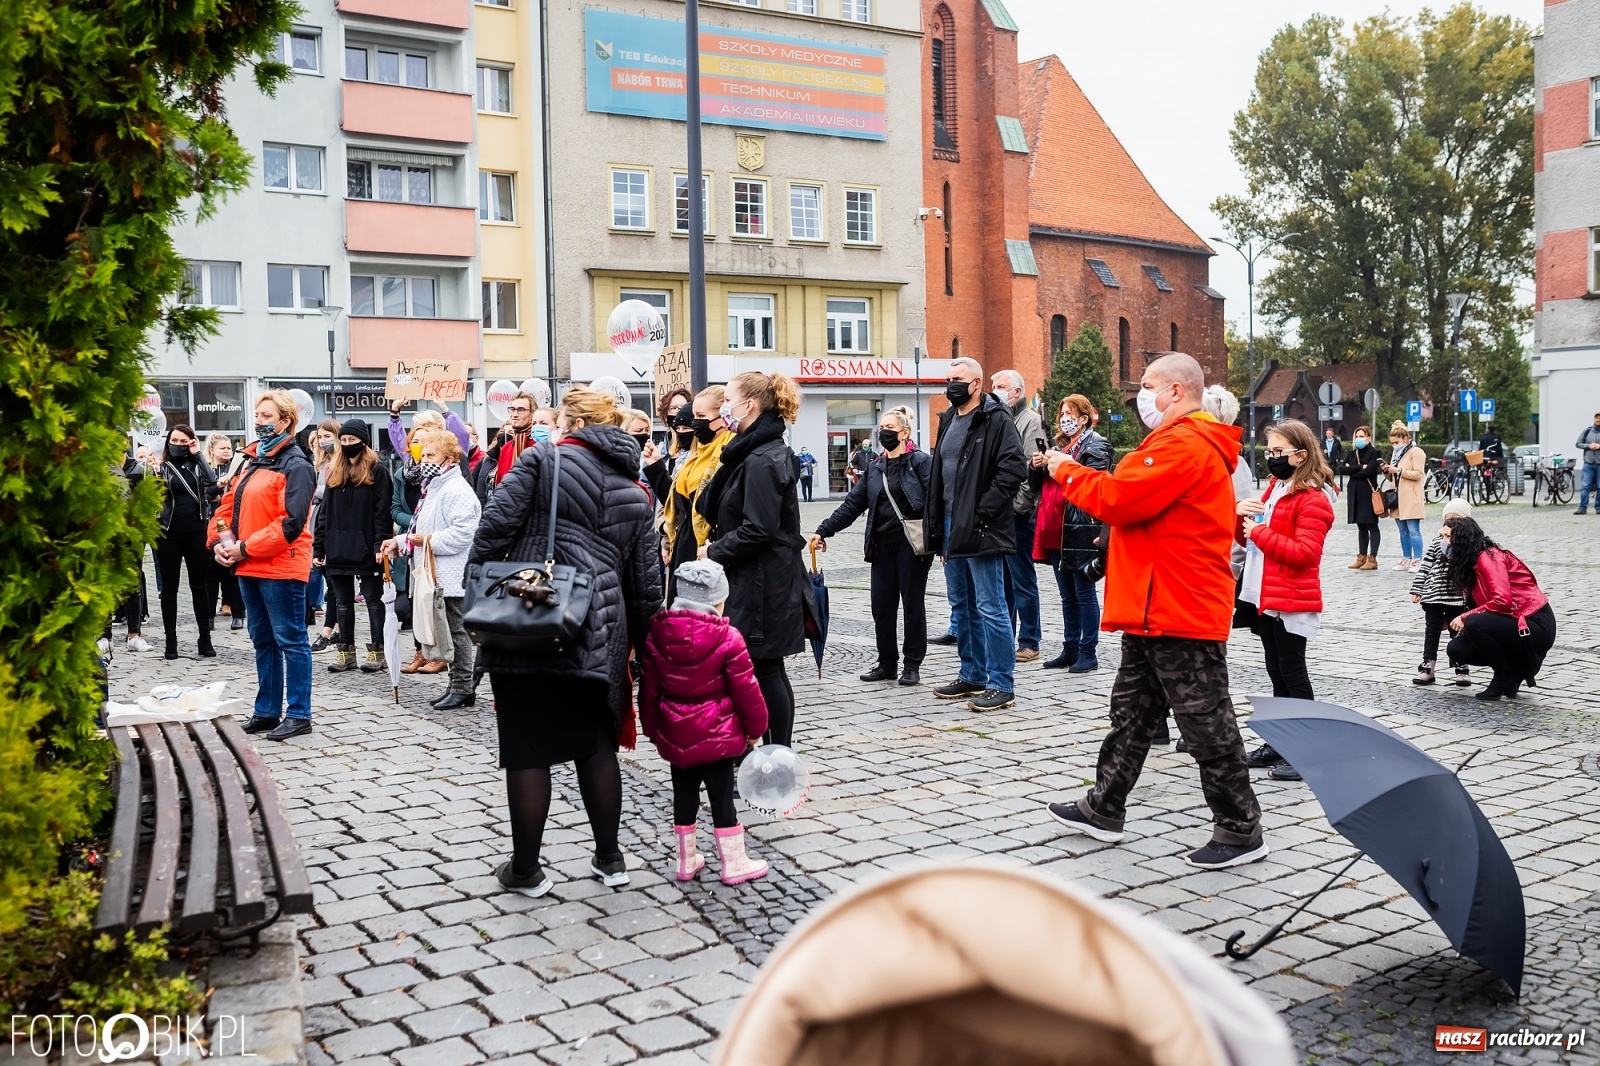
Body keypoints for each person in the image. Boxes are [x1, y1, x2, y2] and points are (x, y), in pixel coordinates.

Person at [1042, 353, 1266, 870]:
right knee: (1133, 712)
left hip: (1176, 604)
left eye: (1147, 385)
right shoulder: (1183, 440)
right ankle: (1104, 807)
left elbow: (1121, 499)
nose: (1141, 395)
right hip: (1156, 603)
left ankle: (1240, 827)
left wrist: (1066, 470)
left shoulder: (1183, 441)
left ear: (1175, 391)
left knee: (1205, 720)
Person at [469, 386, 660, 896]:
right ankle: (610, 859)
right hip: (600, 633)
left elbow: (491, 531)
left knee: (528, 749)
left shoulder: (541, 460)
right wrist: (644, 649)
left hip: (529, 618)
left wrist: (480, 592)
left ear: (569, 423)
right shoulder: (635, 490)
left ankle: (526, 869)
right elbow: (646, 585)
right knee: (596, 746)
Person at [639, 559, 770, 885]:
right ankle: (734, 862)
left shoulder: (658, 633)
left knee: (683, 797)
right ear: (717, 600)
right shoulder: (728, 638)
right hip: (719, 740)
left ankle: (686, 860)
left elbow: (649, 690)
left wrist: (653, 730)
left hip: (675, 735)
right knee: (722, 799)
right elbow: (748, 691)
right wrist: (756, 730)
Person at [699, 372, 807, 746]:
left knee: (766, 669)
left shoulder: (764, 458)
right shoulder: (747, 451)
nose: (723, 405)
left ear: (750, 405)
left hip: (765, 581)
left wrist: (713, 550)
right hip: (754, 576)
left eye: (728, 397)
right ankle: (767, 753)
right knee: (762, 668)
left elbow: (759, 529)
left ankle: (777, 756)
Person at [1233, 419, 1335, 784]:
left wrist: (1258, 531)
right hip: (1264, 594)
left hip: (1291, 598)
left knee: (1293, 674)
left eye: (1279, 452)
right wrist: (1241, 518)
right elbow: (1249, 537)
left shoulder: (1314, 499)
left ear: (1301, 455)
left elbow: (1305, 553)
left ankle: (1307, 750)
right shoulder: (1276, 487)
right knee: (1276, 672)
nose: (1272, 458)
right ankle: (1279, 741)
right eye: (1269, 451)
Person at [212, 391, 317, 741]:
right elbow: (227, 507)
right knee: (263, 641)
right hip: (249, 564)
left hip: (280, 565)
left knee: (291, 639)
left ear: (286, 421)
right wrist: (218, 543)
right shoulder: (251, 459)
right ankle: (267, 711)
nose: (259, 420)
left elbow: (290, 523)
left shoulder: (297, 465)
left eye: (266, 415)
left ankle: (299, 714)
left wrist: (243, 548)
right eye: (257, 414)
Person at [925, 357, 1027, 712]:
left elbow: (1013, 469)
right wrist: (938, 526)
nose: (950, 383)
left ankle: (1002, 683)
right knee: (963, 604)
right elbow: (941, 474)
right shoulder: (949, 418)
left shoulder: (996, 419)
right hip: (952, 524)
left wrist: (983, 511)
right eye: (948, 378)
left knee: (991, 604)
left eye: (958, 378)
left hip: (981, 525)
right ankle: (972, 674)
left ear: (976, 383)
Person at [811, 406, 933, 685]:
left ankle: (912, 665)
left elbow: (935, 504)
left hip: (912, 546)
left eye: (889, 427)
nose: (883, 432)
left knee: (913, 605)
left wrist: (940, 542)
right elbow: (853, 504)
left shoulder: (920, 463)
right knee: (882, 606)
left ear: (904, 433)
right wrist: (824, 530)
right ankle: (887, 663)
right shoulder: (875, 467)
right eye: (881, 427)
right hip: (881, 546)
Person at [383, 431, 481, 709]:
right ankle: (456, 684)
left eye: (430, 456)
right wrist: (400, 541)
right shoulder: (435, 487)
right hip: (437, 571)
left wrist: (423, 541)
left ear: (449, 459)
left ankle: (463, 686)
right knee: (447, 629)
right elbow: (423, 528)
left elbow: (462, 534)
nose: (424, 460)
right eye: (423, 455)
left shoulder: (457, 490)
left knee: (457, 631)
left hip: (451, 573)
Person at [1031, 394, 1111, 671]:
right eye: (1062, 412)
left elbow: (1093, 481)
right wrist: (1038, 466)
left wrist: (1060, 465)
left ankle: (1088, 651)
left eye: (1071, 413)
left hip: (1079, 529)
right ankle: (1070, 647)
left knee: (1084, 593)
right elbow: (1036, 486)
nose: (1065, 418)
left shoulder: (1096, 444)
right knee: (1067, 595)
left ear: (1084, 418)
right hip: (1055, 528)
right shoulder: (1060, 446)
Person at [1445, 516, 1557, 700]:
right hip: (1512, 622)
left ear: (1462, 538)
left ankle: (1504, 675)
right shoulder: (1469, 563)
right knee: (1457, 648)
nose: (1443, 542)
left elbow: (1502, 600)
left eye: (1447, 537)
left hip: (1533, 622)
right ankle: (1515, 672)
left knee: (1474, 622)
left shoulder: (1488, 557)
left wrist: (1465, 617)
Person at [314, 419, 390, 674]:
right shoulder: (335, 471)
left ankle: (377, 650)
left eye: (352, 440)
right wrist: (319, 547)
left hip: (367, 546)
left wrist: (380, 544)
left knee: (372, 599)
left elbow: (382, 513)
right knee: (343, 602)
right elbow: (324, 513)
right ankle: (345, 651)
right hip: (337, 546)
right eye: (343, 440)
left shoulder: (378, 471)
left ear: (363, 442)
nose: (347, 445)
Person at [991, 369, 1047, 663]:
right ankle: (1007, 637)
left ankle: (1029, 640)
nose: (995, 390)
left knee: (1022, 578)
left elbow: (1030, 469)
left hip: (1018, 514)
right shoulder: (1001, 418)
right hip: (1000, 513)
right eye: (993, 386)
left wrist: (1018, 506)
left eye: (1001, 386)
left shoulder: (1030, 420)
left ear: (1017, 391)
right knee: (1004, 581)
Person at [150, 424, 219, 659]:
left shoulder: (198, 465)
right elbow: (155, 497)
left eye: (184, 441)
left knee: (199, 587)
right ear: (168, 442)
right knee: (169, 589)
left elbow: (213, 482)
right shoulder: (161, 467)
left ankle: (205, 639)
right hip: (168, 532)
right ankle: (171, 641)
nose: (178, 445)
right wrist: (155, 473)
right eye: (175, 441)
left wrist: (198, 453)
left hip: (197, 530)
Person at [663, 386, 734, 600]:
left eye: (701, 416)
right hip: (684, 544)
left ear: (722, 418)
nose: (695, 423)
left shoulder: (728, 451)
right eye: (694, 416)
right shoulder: (698, 453)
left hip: (705, 548)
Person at [1410, 498, 1474, 687]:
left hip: (1455, 597)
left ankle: (1461, 667)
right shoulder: (1437, 541)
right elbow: (1425, 566)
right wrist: (1418, 588)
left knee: (1458, 633)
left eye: (1457, 520)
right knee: (1432, 632)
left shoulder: (1467, 545)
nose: (1451, 524)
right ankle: (1428, 666)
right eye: (1448, 520)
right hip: (1433, 595)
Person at [205, 433, 248, 631]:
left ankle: (238, 613)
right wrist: (216, 487)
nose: (227, 451)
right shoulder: (205, 468)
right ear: (212, 450)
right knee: (210, 574)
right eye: (223, 448)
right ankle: (208, 616)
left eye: (229, 447)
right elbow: (202, 492)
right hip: (209, 523)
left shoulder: (236, 467)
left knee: (231, 572)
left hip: (231, 524)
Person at [307, 418, 341, 651]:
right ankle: (331, 626)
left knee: (334, 582)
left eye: (327, 436)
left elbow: (332, 491)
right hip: (317, 521)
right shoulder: (320, 463)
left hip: (334, 523)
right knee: (320, 574)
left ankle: (330, 629)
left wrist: (314, 491)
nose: (322, 441)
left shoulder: (339, 463)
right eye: (320, 437)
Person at [1381, 422, 1426, 571]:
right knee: (1403, 531)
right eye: (1392, 443)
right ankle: (1407, 558)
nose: (1394, 445)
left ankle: (1418, 559)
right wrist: (1387, 471)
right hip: (1397, 498)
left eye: (1397, 442)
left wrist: (1398, 470)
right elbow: (1393, 477)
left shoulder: (1416, 452)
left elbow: (1418, 474)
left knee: (1413, 530)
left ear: (1405, 438)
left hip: (1410, 497)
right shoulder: (1397, 454)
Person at [477, 391, 538, 502]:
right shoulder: (506, 448)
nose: (514, 414)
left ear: (532, 414)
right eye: (512, 409)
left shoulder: (537, 445)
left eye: (521, 410)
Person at [1339, 426, 1384, 570]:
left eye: (1361, 436)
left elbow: (1370, 471)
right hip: (1355, 491)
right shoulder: (1352, 453)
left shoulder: (1375, 453)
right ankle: (1361, 556)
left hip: (1368, 492)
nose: (1359, 439)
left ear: (1369, 437)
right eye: (1357, 436)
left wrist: (1353, 469)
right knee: (1361, 525)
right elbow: (1341, 469)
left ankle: (1373, 558)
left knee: (1371, 524)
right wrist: (1360, 467)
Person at [643, 389, 695, 504]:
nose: (678, 412)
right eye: (674, 408)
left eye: (683, 407)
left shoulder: (696, 451)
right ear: (666, 415)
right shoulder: (657, 451)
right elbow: (646, 488)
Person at [1575, 411, 1600, 514]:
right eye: (1597, 418)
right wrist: (1588, 446)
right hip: (1588, 463)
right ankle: (1582, 507)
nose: (1598, 420)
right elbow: (1578, 443)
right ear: (1594, 419)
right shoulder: (1587, 431)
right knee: (1585, 486)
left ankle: (1598, 507)